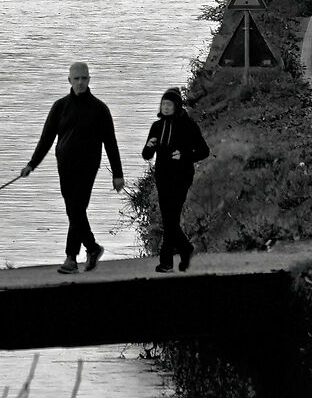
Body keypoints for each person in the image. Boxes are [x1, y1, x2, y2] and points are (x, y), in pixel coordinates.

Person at [23, 61, 125, 273]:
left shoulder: (100, 109)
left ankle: (72, 257)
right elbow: (46, 139)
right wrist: (32, 164)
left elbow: (111, 143)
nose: (80, 82)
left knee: (75, 209)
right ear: (69, 80)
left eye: (84, 78)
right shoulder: (60, 107)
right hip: (65, 166)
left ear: (89, 80)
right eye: (76, 79)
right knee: (75, 211)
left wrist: (118, 174)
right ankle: (91, 250)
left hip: (88, 167)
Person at [140, 87, 209, 272]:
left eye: (169, 104)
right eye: (163, 104)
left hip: (181, 177)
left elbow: (204, 151)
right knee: (169, 220)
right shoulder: (157, 126)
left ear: (177, 106)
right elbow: (146, 155)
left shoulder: (188, 125)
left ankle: (166, 262)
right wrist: (149, 146)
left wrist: (184, 155)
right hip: (162, 177)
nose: (165, 107)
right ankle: (186, 248)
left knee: (171, 218)